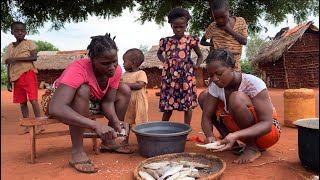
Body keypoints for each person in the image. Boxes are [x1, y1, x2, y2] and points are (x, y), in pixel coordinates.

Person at [42, 33, 133, 174]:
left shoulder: (116, 70)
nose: (112, 67)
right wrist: (95, 125)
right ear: (92, 59)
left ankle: (108, 142)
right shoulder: (78, 69)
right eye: (105, 63)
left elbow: (108, 102)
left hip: (90, 101)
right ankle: (77, 151)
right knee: (83, 89)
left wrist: (115, 121)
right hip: (55, 101)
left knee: (124, 89)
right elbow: (56, 108)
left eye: (114, 61)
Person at [198, 48, 281, 164]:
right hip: (240, 133)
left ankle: (252, 148)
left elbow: (266, 125)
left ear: (233, 66)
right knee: (203, 96)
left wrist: (236, 135)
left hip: (267, 134)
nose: (215, 79)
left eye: (219, 73)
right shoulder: (215, 86)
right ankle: (228, 141)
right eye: (211, 75)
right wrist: (209, 135)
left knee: (236, 97)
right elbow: (206, 116)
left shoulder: (253, 83)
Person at [157, 7, 203, 125]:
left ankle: (186, 129)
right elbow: (159, 54)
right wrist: (165, 62)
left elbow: (200, 55)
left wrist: (197, 66)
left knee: (187, 104)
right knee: (168, 105)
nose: (178, 29)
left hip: (185, 76)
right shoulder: (166, 42)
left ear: (186, 25)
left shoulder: (190, 40)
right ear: (171, 26)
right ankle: (162, 128)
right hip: (170, 77)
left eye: (181, 26)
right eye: (175, 26)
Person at [2, 21, 44, 135]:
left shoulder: (29, 43)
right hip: (16, 77)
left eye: (22, 30)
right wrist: (9, 80)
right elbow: (8, 63)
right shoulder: (10, 47)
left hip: (28, 74)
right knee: (22, 102)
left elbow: (34, 57)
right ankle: (27, 125)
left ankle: (39, 124)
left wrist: (16, 59)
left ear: (25, 32)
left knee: (33, 100)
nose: (20, 33)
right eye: (16, 31)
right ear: (12, 32)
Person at [200, 0, 248, 72]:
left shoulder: (240, 21)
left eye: (223, 16)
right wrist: (212, 44)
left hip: (235, 65)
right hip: (219, 65)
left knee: (235, 81)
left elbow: (244, 41)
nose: (220, 20)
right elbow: (202, 41)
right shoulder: (213, 26)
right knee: (220, 80)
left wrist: (228, 29)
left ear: (229, 11)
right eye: (216, 18)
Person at [121, 48, 148, 145]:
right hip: (127, 103)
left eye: (124, 61)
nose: (123, 64)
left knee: (140, 121)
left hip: (139, 103)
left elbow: (139, 85)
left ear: (133, 62)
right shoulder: (124, 74)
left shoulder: (141, 73)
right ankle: (124, 140)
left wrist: (124, 85)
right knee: (125, 122)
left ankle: (143, 141)